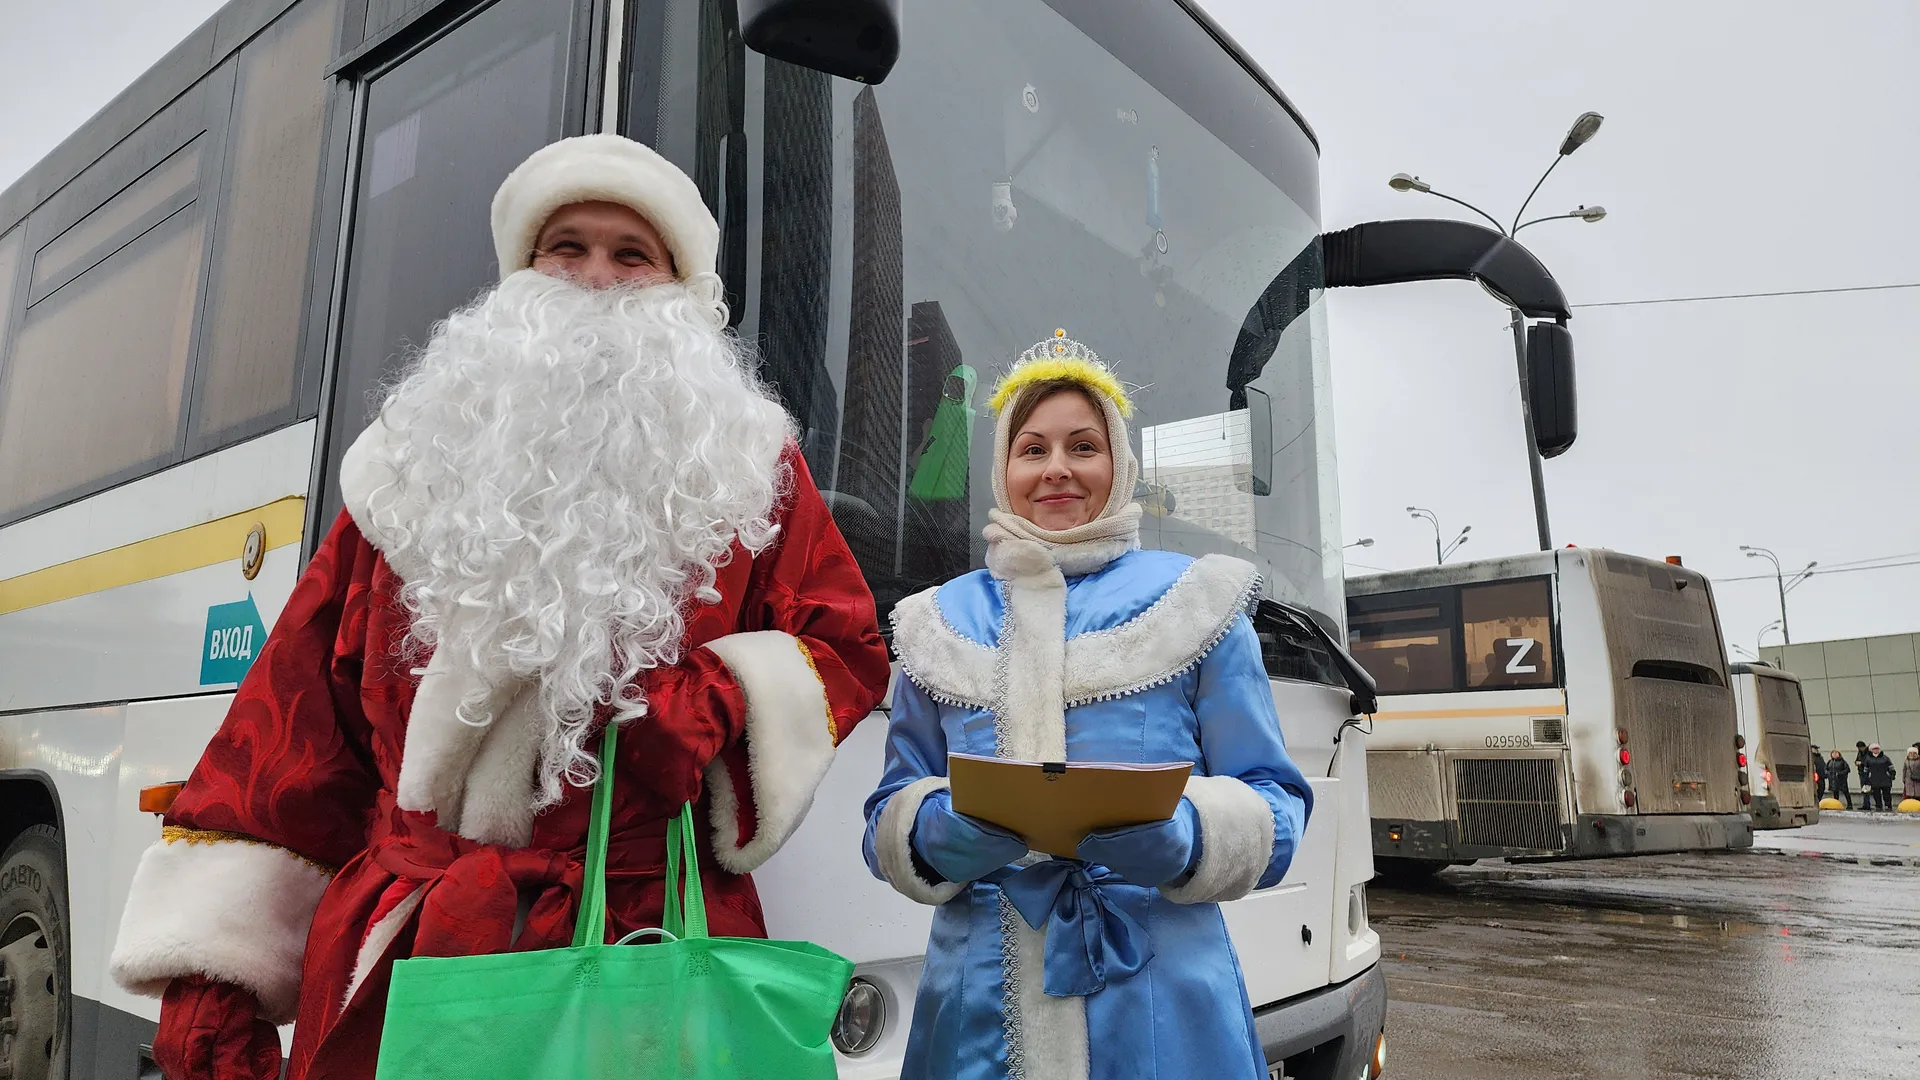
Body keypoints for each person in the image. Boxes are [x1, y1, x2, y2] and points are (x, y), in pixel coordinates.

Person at [108, 135, 891, 1080]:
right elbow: (295, 720)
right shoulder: (404, 468)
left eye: (631, 255)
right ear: (521, 273)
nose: (596, 279)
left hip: (650, 935)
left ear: (679, 289)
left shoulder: (749, 469)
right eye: (567, 248)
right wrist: (216, 980)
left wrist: (724, 696)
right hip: (421, 943)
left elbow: (841, 641)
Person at [862, 331, 1313, 1080]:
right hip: (978, 1000)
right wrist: (934, 833)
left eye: (1083, 446)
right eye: (1032, 449)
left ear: (1120, 463)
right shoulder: (933, 623)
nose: (1057, 469)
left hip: (1163, 999)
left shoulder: (1198, 603)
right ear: (1004, 468)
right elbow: (886, 812)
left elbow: (1280, 805)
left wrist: (1190, 835)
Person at [1860, 743, 1897, 811]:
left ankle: (1888, 806)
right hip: (1874, 779)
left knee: (1887, 794)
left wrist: (1892, 774)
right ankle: (1878, 806)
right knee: (1876, 794)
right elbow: (1866, 770)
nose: (1876, 750)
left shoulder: (1885, 758)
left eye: (1877, 749)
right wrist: (1866, 778)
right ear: (1871, 750)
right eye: (1874, 749)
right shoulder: (1868, 759)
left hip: (1885, 779)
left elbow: (1891, 767)